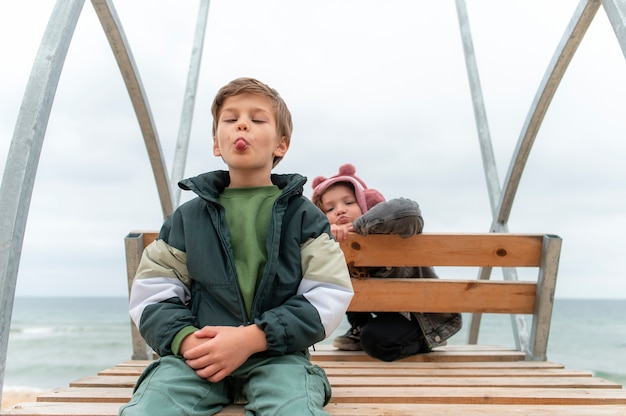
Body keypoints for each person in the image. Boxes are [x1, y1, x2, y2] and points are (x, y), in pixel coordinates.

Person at [119, 78, 354, 416]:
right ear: (217, 143)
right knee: (149, 409)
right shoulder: (187, 219)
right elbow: (153, 292)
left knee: (294, 410)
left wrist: (252, 339)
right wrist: (186, 340)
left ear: (281, 145)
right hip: (196, 359)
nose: (242, 124)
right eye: (231, 119)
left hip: (279, 357)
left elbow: (327, 294)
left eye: (257, 119)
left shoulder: (305, 217)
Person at [311, 163, 462, 362]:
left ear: (366, 204)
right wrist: (325, 234)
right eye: (330, 208)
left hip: (416, 315)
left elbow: (410, 211)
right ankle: (360, 327)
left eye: (349, 203)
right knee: (339, 274)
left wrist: (358, 226)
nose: (340, 211)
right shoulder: (332, 242)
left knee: (375, 341)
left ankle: (426, 340)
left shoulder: (390, 232)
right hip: (385, 310)